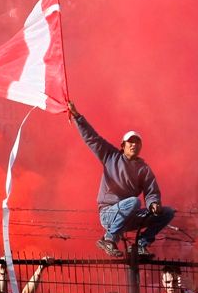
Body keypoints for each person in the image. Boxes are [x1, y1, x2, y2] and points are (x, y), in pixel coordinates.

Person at [67, 101, 175, 257]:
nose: (134, 145)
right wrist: (77, 116)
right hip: (108, 214)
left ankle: (140, 245)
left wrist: (154, 205)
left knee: (168, 212)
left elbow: (152, 192)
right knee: (134, 202)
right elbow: (92, 139)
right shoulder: (111, 156)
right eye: (130, 142)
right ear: (123, 145)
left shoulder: (143, 169)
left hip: (129, 217)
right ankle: (108, 239)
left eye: (137, 142)